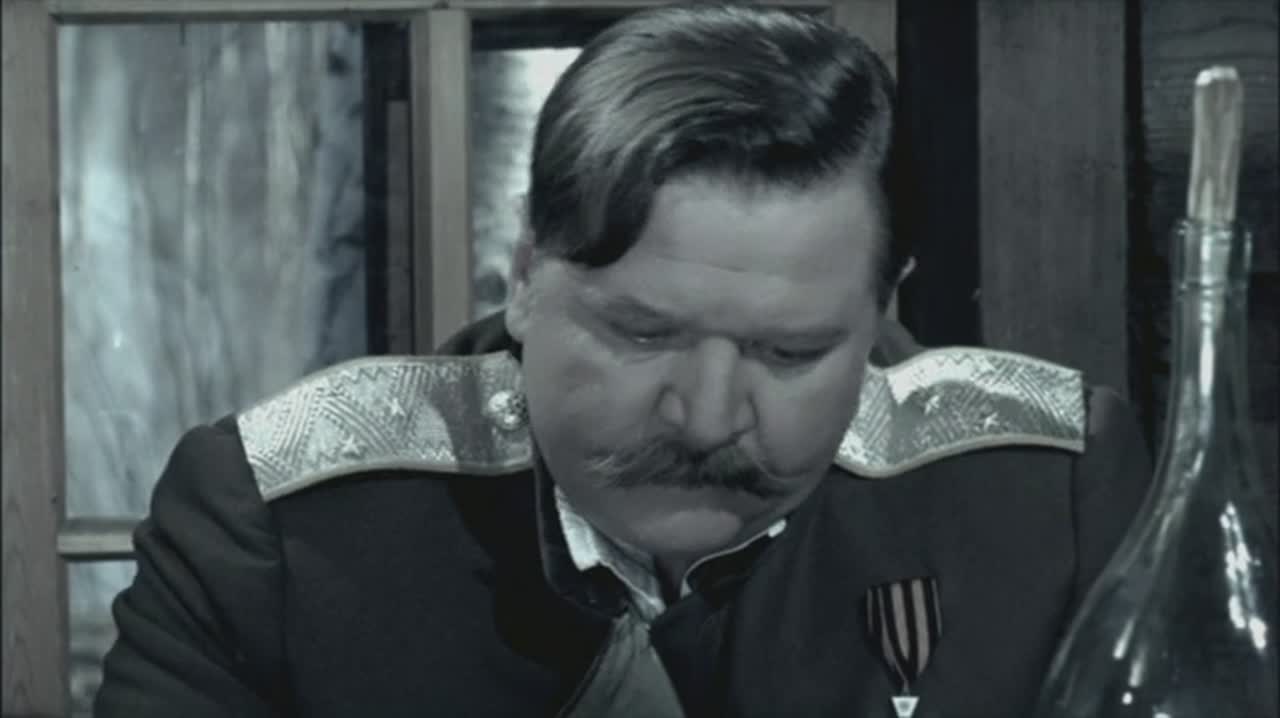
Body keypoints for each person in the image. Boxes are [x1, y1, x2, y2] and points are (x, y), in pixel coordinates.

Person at [94, 4, 1152, 717]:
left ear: (883, 308)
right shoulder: (274, 523)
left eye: (788, 351)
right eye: (643, 334)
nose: (707, 415)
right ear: (524, 277)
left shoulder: (1049, 497)